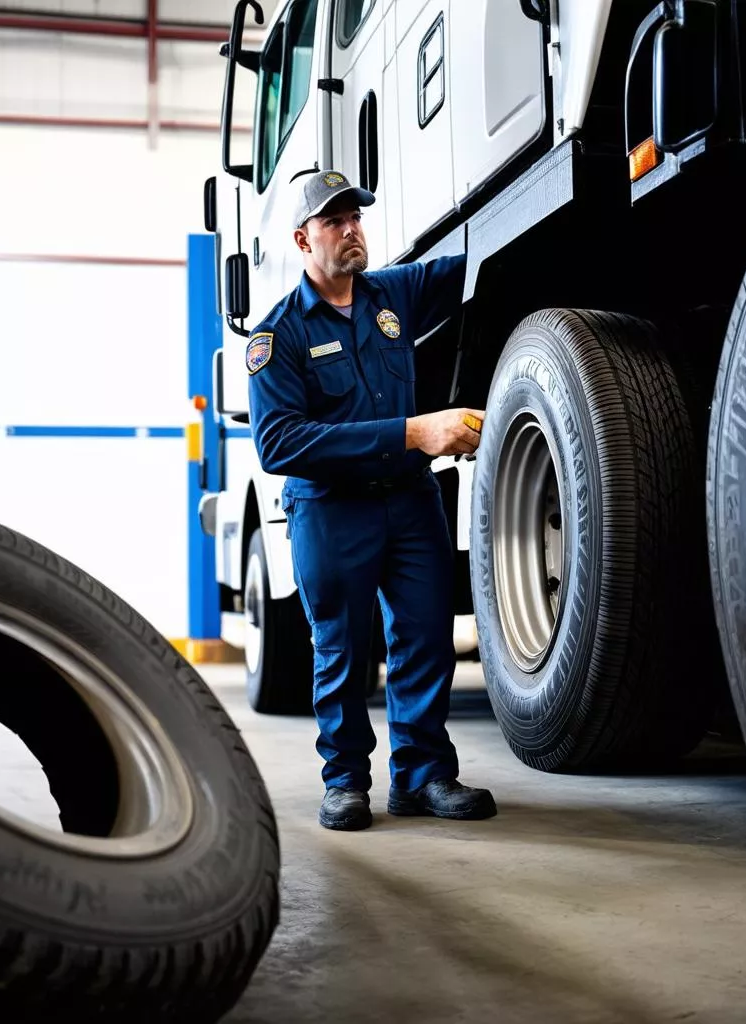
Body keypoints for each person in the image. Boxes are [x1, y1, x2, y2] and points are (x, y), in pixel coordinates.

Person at [246, 169, 497, 831]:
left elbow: (481, 252)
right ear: (304, 239)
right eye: (336, 221)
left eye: (356, 217)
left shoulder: (393, 294)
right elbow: (279, 444)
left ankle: (423, 777)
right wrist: (414, 432)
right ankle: (345, 782)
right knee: (342, 651)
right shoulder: (276, 338)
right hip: (331, 512)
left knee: (424, 639)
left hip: (411, 504)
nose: (353, 230)